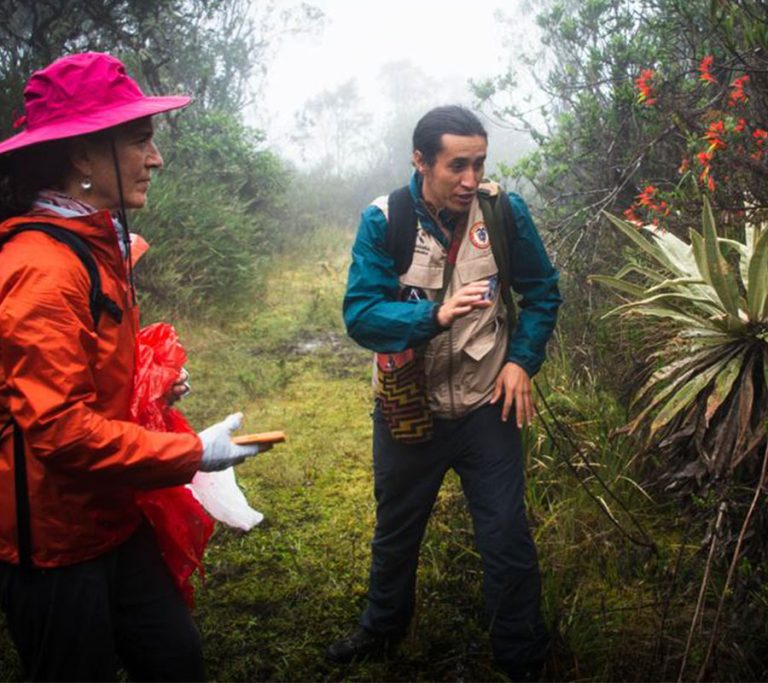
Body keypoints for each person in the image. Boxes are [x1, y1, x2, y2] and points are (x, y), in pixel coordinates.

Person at [0, 52, 264, 682]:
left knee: (175, 657)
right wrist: (191, 453)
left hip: (111, 514)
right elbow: (60, 429)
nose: (157, 158)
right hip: (55, 544)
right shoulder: (41, 269)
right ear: (82, 157)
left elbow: (83, 365)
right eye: (140, 141)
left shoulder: (93, 244)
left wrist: (150, 379)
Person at [329, 105, 561, 679]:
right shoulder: (385, 220)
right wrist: (433, 317)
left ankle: (519, 655)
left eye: (479, 163)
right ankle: (382, 629)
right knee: (397, 531)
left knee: (506, 536)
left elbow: (542, 292)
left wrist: (521, 363)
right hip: (411, 407)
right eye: (457, 165)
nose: (470, 179)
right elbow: (361, 316)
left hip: (489, 404)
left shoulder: (504, 211)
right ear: (421, 160)